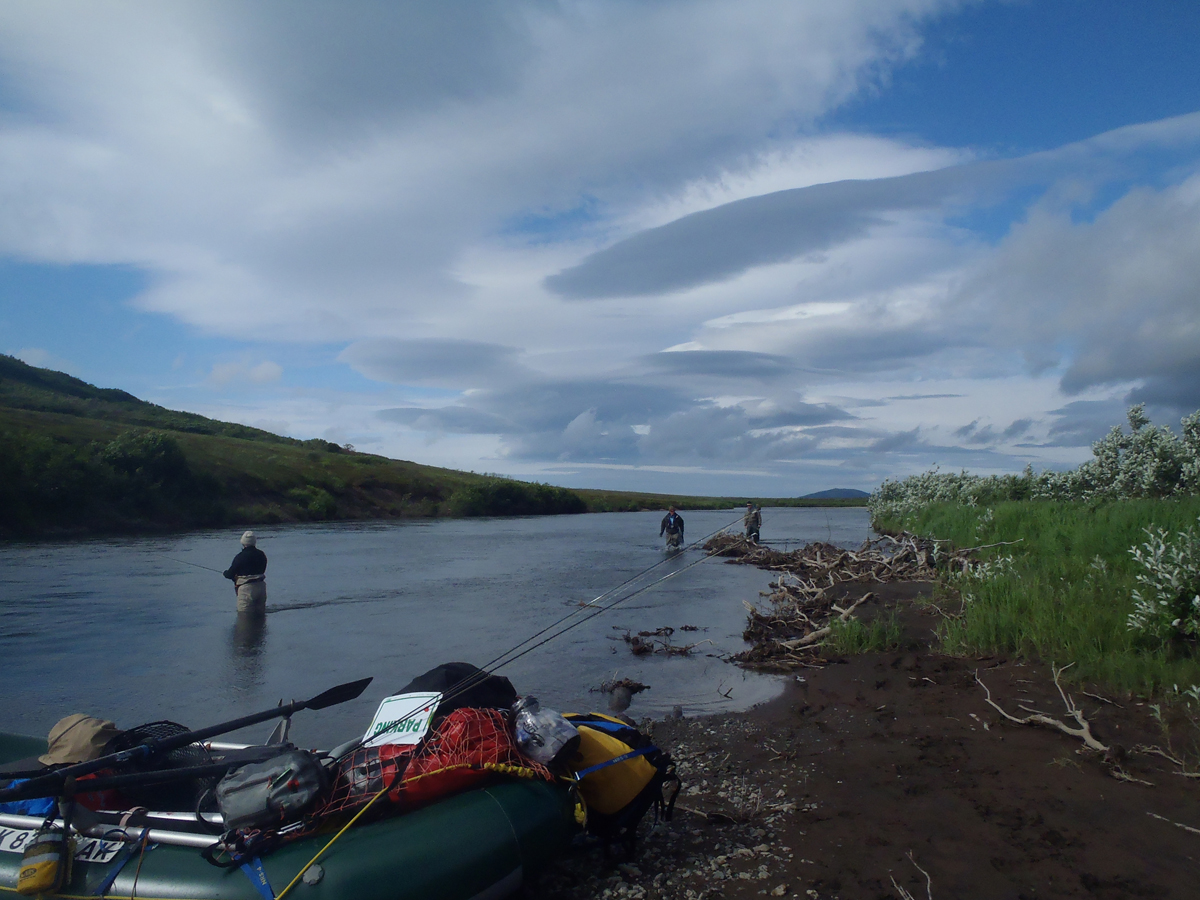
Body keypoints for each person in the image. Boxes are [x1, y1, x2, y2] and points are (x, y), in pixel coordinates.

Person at [224, 530, 267, 615]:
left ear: (243, 542)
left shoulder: (240, 557)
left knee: (244, 618)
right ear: (254, 542)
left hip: (246, 589)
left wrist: (225, 573)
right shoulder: (261, 554)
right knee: (260, 616)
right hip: (261, 587)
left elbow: (230, 574)